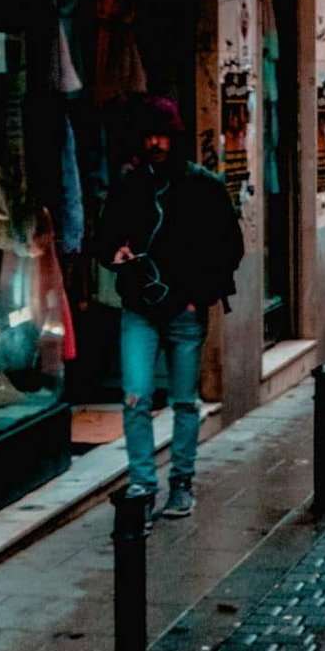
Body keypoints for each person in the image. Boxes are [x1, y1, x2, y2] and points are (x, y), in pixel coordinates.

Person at [96, 96, 244, 523]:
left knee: (183, 401)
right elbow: (103, 238)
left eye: (162, 135)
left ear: (175, 138)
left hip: (185, 311)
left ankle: (182, 483)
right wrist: (116, 253)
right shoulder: (130, 186)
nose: (155, 143)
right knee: (136, 394)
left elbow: (229, 248)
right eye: (149, 135)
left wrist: (201, 295)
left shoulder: (204, 186)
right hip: (140, 309)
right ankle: (143, 481)